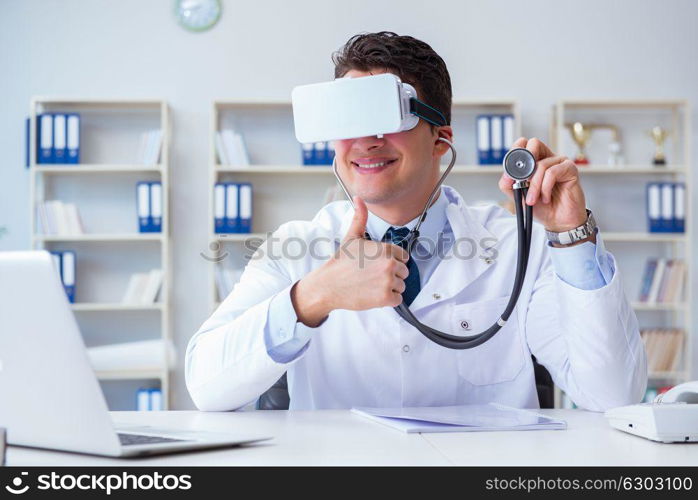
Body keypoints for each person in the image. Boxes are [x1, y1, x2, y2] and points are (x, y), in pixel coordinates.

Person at [185, 32, 647, 412]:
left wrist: (571, 235)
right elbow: (205, 387)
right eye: (349, 120)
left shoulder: (516, 245)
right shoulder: (297, 248)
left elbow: (612, 396)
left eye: (387, 118)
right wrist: (315, 296)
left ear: (441, 138)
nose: (365, 141)